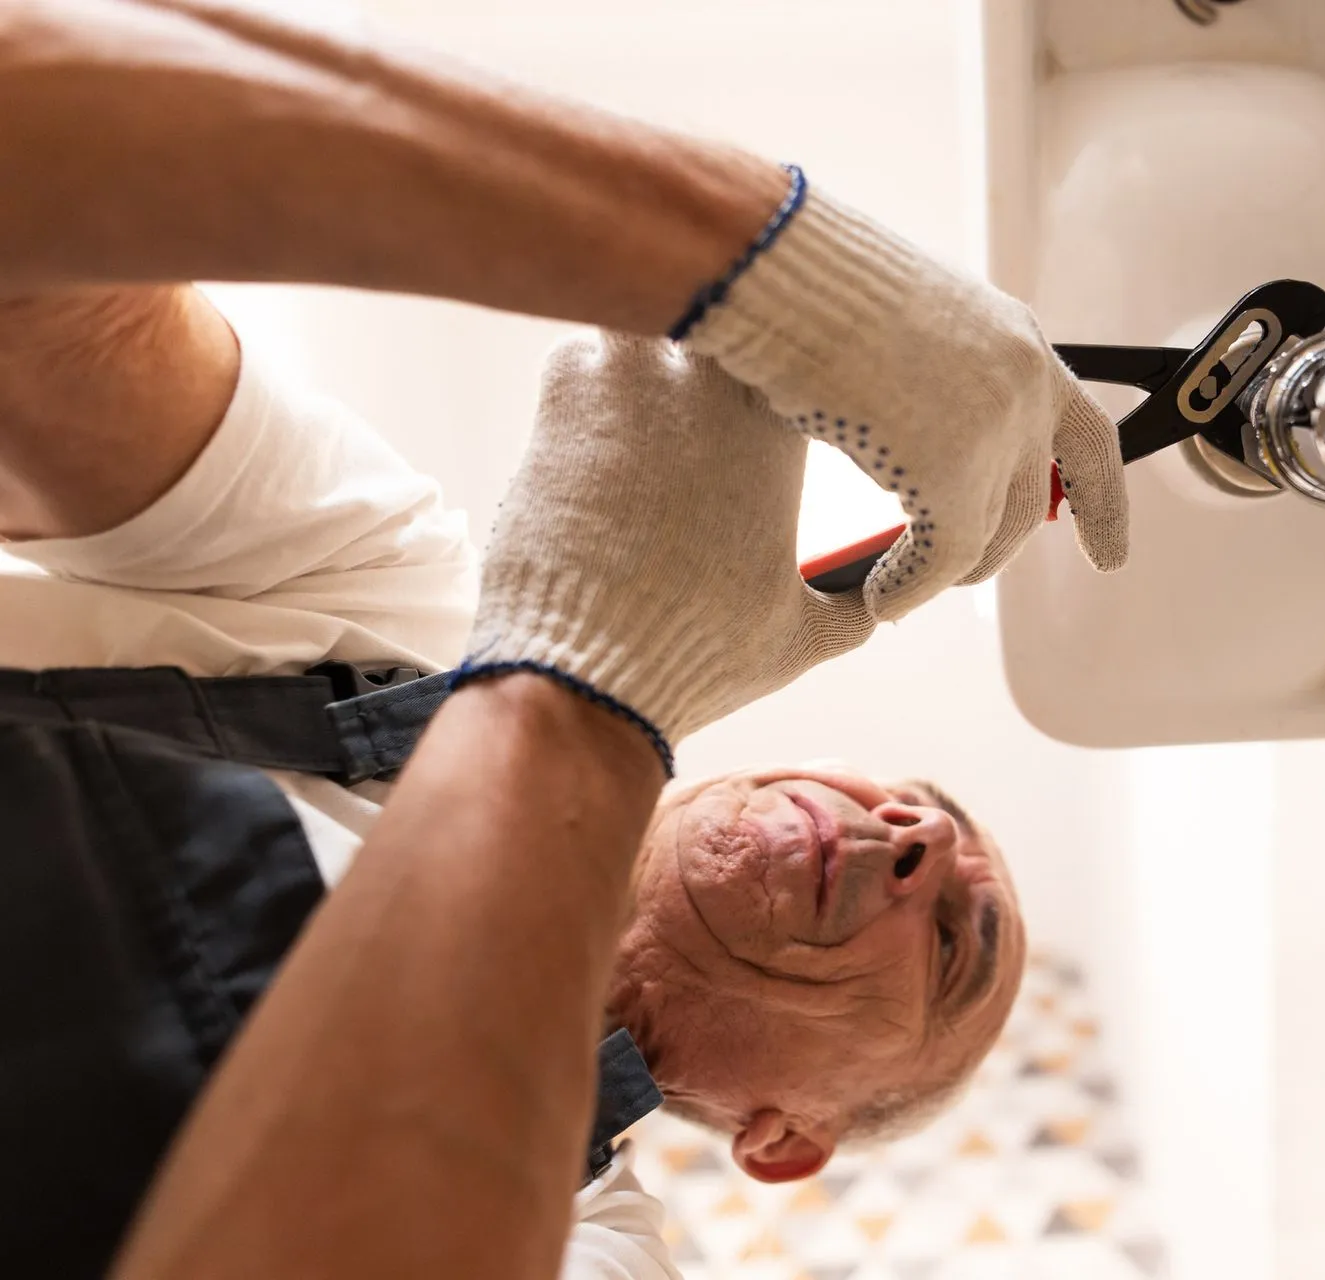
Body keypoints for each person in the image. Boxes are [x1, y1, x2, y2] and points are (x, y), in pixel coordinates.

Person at [0, 3, 1127, 1278]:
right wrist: (764, 254)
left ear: (785, 1140)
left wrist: (587, 687)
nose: (919, 839)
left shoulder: (596, 1247)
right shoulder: (389, 610)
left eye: (954, 944)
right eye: (923, 805)